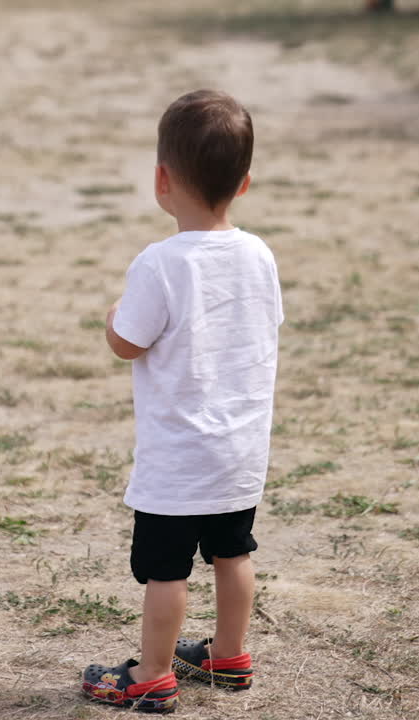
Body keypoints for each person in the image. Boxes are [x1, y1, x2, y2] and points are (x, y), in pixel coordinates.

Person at [81, 89, 284, 713]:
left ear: (161, 179)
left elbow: (127, 343)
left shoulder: (159, 264)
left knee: (166, 571)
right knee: (233, 552)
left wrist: (115, 317)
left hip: (177, 462)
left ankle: (152, 673)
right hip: (239, 453)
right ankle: (229, 655)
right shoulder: (259, 255)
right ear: (244, 183)